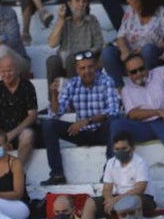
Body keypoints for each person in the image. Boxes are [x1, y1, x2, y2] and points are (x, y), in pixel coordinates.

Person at [108, 55, 164, 187]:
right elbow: (132, 114)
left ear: (146, 68)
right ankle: (110, 171)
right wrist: (157, 111)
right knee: (116, 125)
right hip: (143, 126)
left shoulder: (160, 73)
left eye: (141, 69)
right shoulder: (127, 90)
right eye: (133, 72)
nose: (138, 73)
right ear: (128, 74)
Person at [40, 50, 120, 186]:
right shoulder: (73, 83)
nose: (87, 71)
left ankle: (109, 172)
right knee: (49, 125)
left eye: (90, 67)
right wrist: (53, 95)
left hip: (101, 131)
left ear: (96, 67)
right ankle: (57, 174)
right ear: (77, 70)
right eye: (82, 68)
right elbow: (56, 113)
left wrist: (87, 121)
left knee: (114, 122)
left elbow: (113, 111)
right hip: (81, 133)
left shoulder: (106, 81)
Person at [100, 0, 164, 86]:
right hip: (131, 53)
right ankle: (119, 89)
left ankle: (149, 86)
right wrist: (125, 52)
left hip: (152, 53)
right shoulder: (130, 12)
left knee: (147, 50)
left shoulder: (163, 12)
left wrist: (145, 48)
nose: (128, 1)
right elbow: (120, 36)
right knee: (107, 52)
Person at [45, 0, 104, 100]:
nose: (81, 4)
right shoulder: (63, 21)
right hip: (64, 59)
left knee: (72, 58)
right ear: (69, 3)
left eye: (84, 1)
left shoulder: (92, 20)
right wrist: (61, 20)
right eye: (77, 1)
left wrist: (83, 54)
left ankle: (74, 99)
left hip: (85, 59)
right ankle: (53, 101)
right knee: (52, 60)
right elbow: (52, 43)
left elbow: (99, 44)